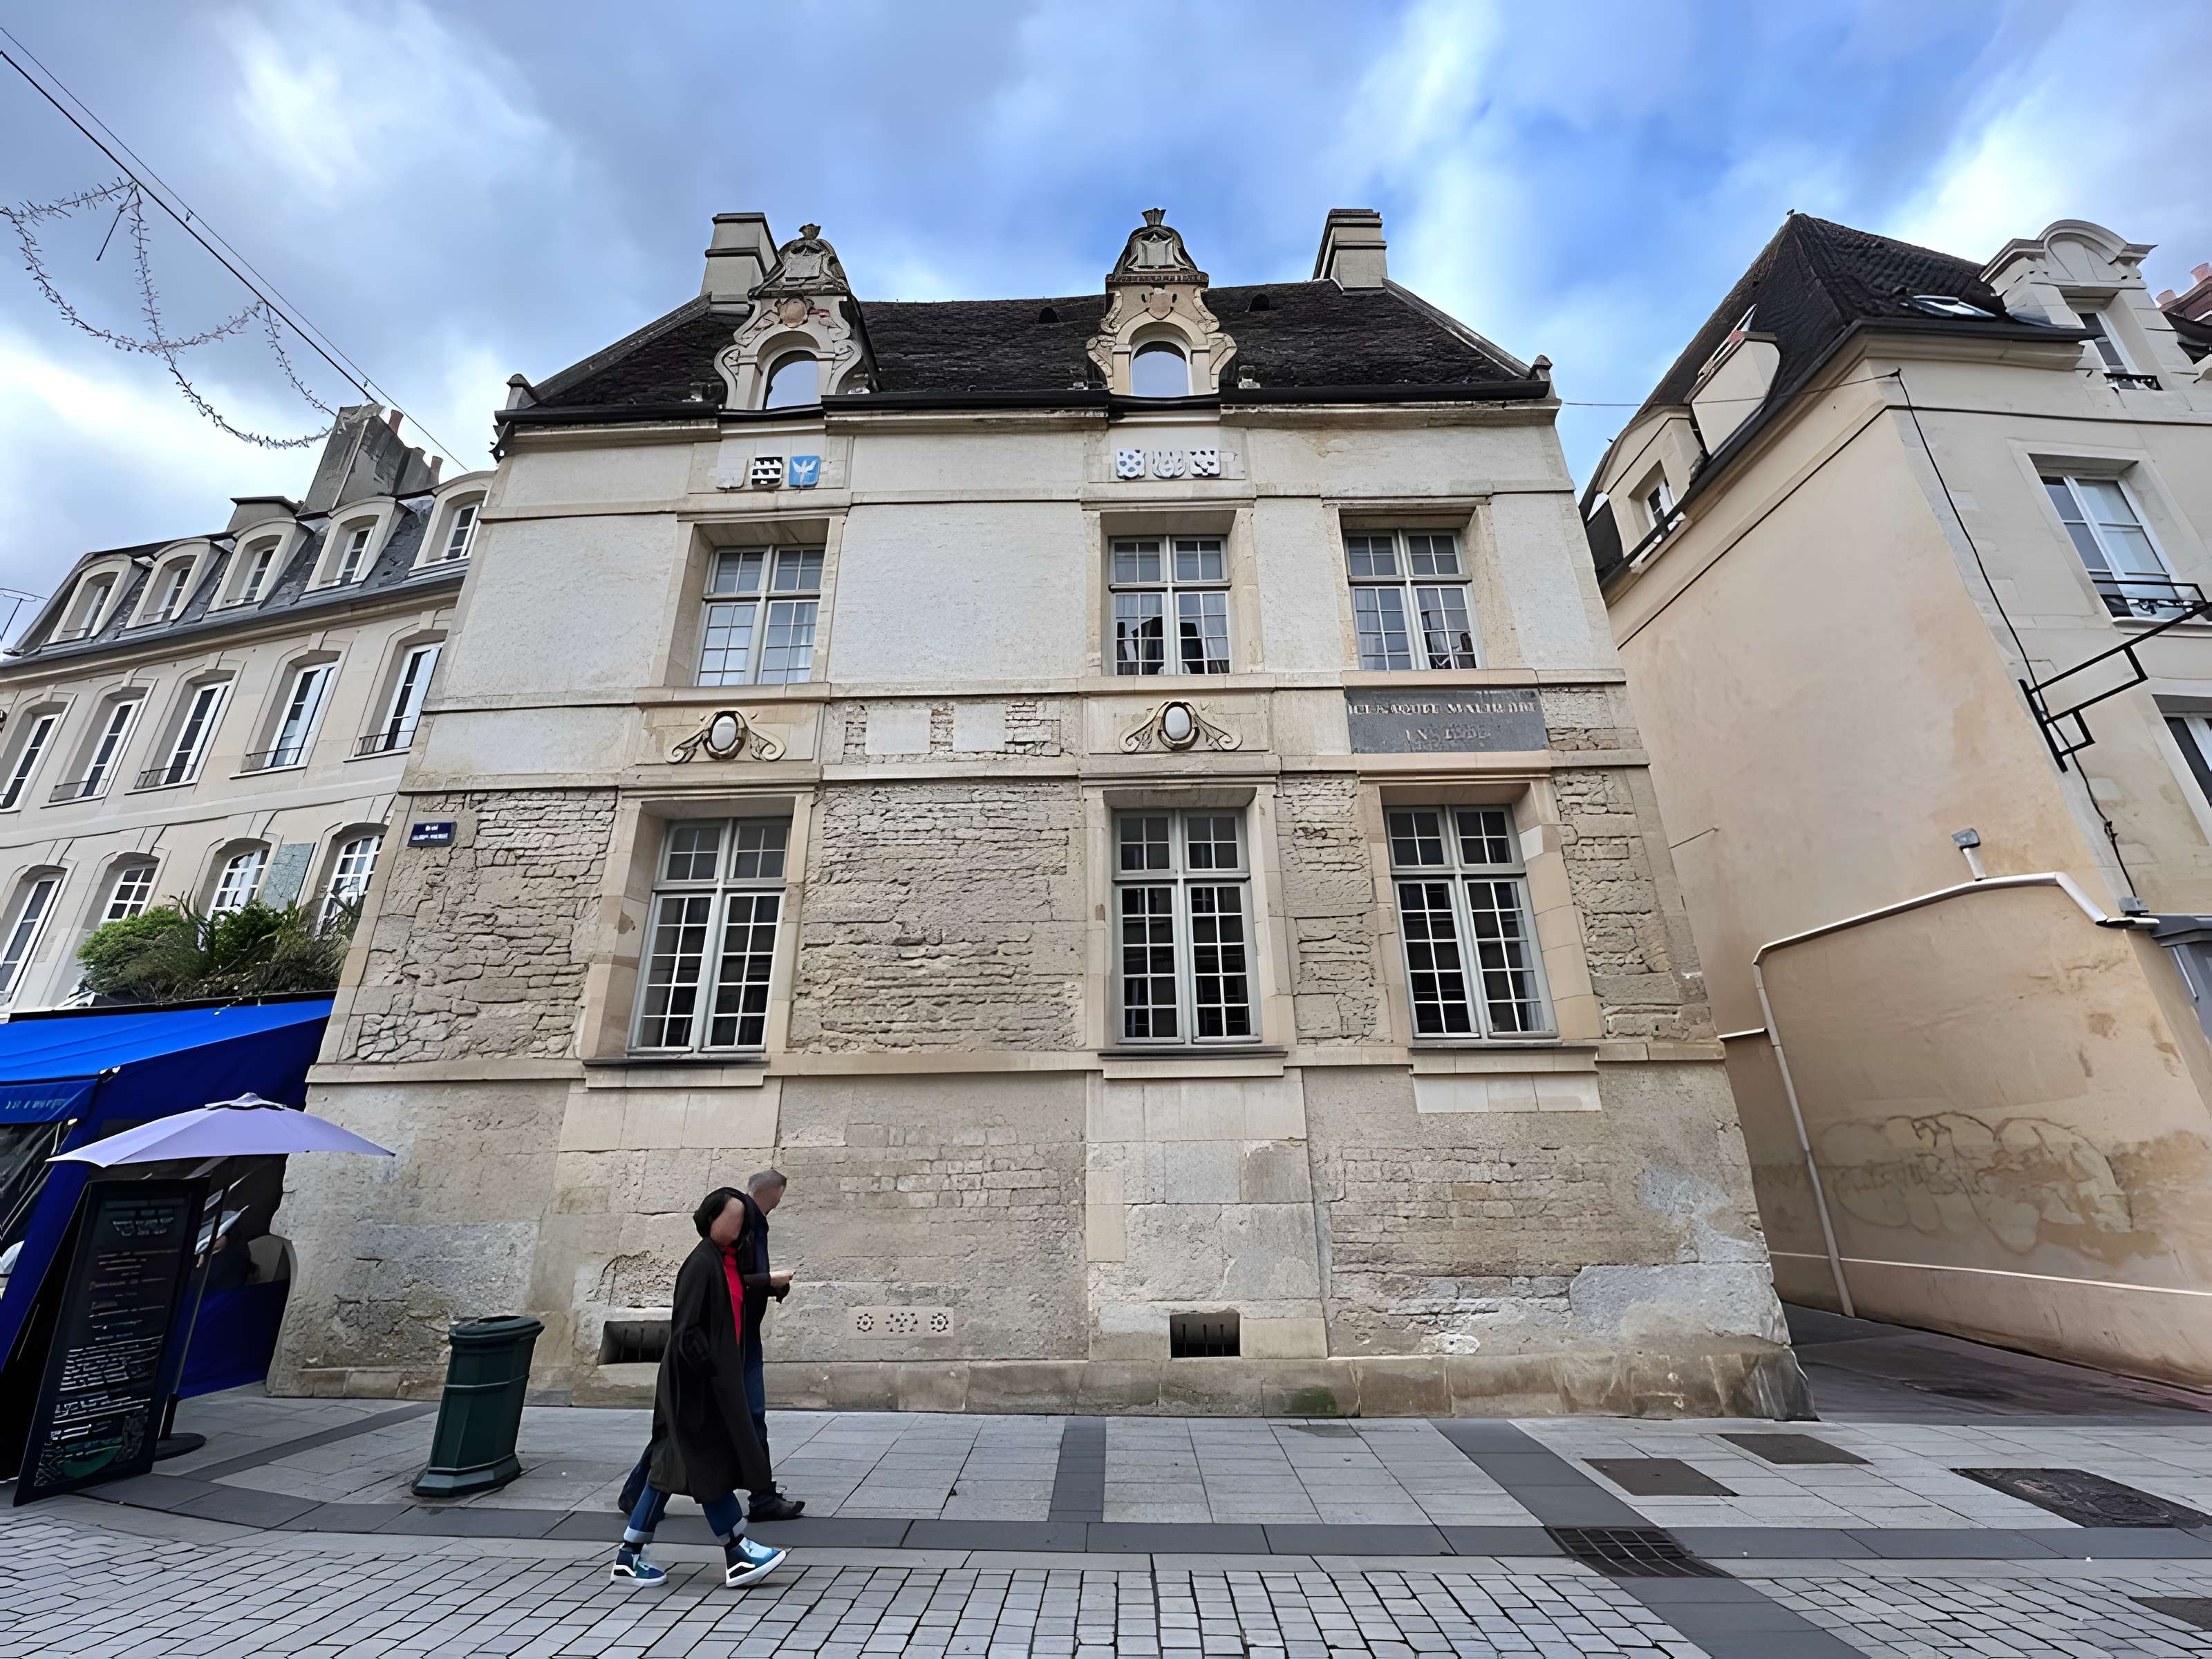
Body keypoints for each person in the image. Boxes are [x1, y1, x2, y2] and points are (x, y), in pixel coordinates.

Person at [612, 1187, 789, 1588]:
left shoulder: (724, 1261)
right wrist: (710, 1376)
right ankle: (737, 1550)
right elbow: (687, 1331)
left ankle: (630, 1556)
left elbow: (735, 1299)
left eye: (743, 1220)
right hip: (693, 1386)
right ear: (712, 1219)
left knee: (671, 1470)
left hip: (706, 1384)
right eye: (734, 1219)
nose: (740, 1226)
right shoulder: (701, 1263)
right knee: (700, 1464)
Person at [734, 1169, 802, 1520]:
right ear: (775, 1195)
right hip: (737, 1339)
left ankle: (637, 1493)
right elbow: (729, 1278)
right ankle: (762, 1499)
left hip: (738, 1335)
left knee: (689, 1424)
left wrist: (769, 1285)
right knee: (753, 1414)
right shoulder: (750, 1221)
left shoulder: (742, 1219)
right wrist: (769, 1280)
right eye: (779, 1200)